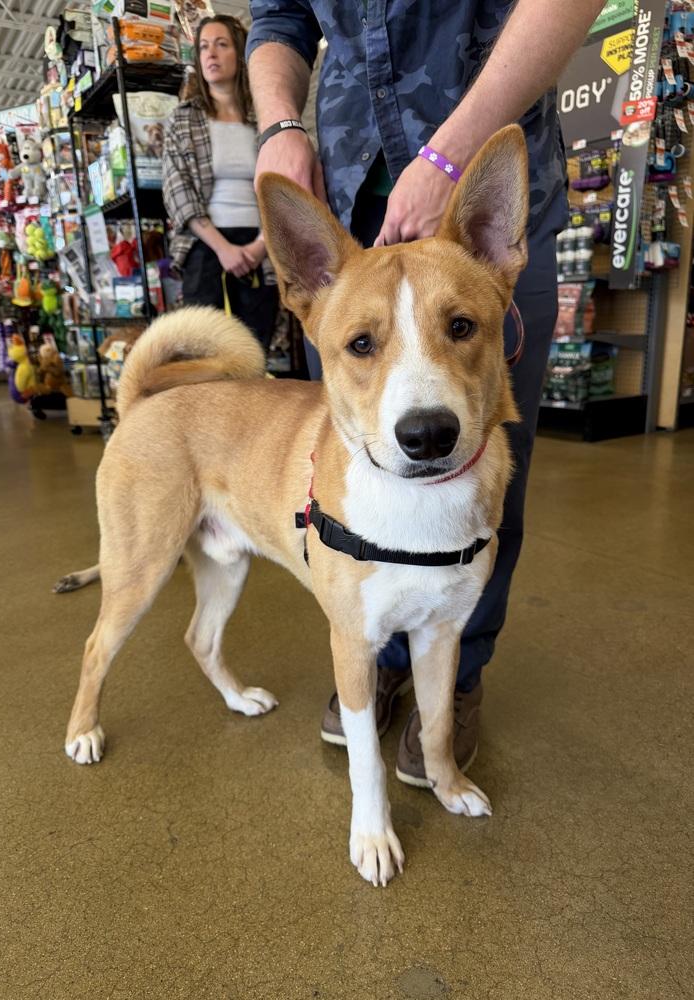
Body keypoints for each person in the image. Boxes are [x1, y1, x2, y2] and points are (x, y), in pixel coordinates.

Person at [246, 0, 606, 782]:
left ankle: (457, 667)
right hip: (344, 180)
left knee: (485, 477)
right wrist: (279, 124)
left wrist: (453, 154)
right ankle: (368, 650)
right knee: (358, 477)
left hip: (483, 140)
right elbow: (277, 18)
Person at [162, 14, 278, 351]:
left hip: (262, 248)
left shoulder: (265, 117)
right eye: (203, 47)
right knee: (205, 355)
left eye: (221, 44)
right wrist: (223, 249)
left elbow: (286, 182)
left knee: (256, 350)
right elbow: (176, 188)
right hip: (205, 247)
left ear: (239, 54)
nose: (211, 53)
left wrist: (260, 246)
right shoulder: (183, 118)